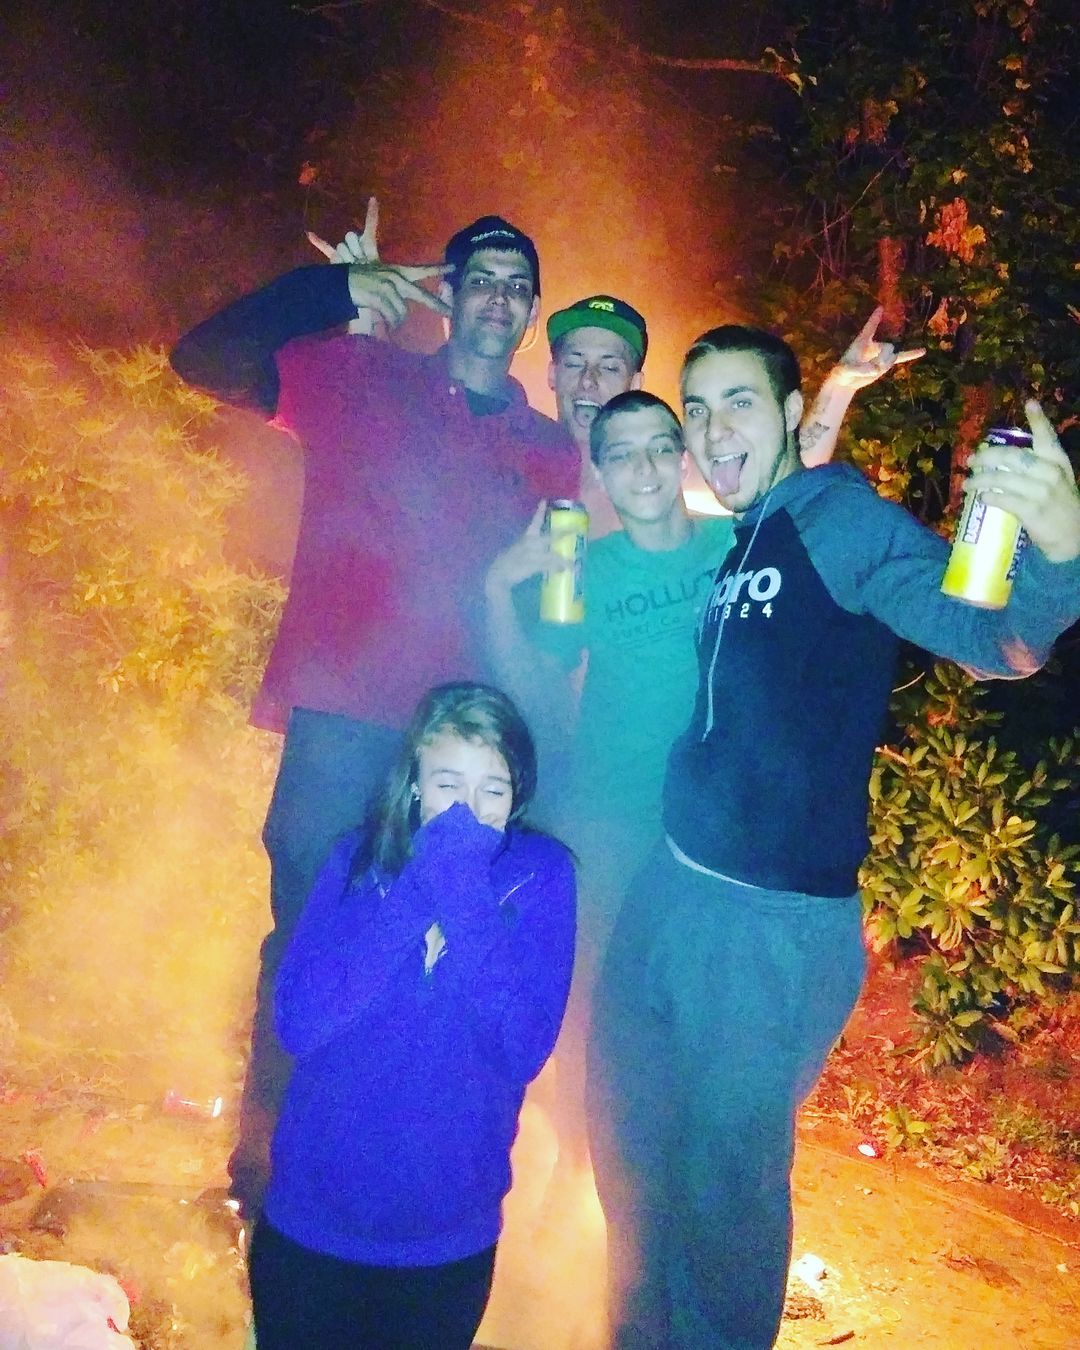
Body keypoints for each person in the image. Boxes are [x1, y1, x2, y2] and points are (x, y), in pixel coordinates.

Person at [588, 323, 1080, 1349]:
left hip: (771, 928)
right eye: (699, 408)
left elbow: (992, 637)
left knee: (724, 1194)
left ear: (781, 412)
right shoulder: (747, 529)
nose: (713, 430)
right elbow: (778, 458)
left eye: (739, 403)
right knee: (631, 1153)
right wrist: (836, 393)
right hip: (671, 893)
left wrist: (1060, 553)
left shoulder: (838, 520)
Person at [169, 214, 578, 1216]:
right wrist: (335, 295)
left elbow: (562, 609)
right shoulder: (362, 378)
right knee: (309, 942)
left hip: (459, 752)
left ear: (530, 314)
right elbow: (202, 358)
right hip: (341, 726)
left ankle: (396, 1178)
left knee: (435, 952)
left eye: (516, 284)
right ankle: (266, 1181)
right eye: (480, 276)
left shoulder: (550, 453)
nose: (497, 296)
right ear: (448, 293)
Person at [483, 311, 922, 1184]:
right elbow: (535, 682)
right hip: (611, 825)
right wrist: (499, 590)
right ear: (598, 473)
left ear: (685, 459)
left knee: (694, 1032)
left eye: (661, 448)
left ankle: (668, 1184)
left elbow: (796, 476)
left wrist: (835, 389)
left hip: (712, 839)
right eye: (621, 455)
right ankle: (578, 1183)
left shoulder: (736, 543)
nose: (644, 468)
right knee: (599, 1015)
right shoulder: (584, 568)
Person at [246, 681, 576, 1350]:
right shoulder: (355, 862)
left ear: (517, 794)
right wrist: (418, 888)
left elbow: (522, 1046)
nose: (469, 810)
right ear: (416, 785)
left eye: (493, 788)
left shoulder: (541, 878)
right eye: (449, 784)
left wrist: (462, 889)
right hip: (311, 1225)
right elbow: (300, 1023)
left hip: (445, 1243)